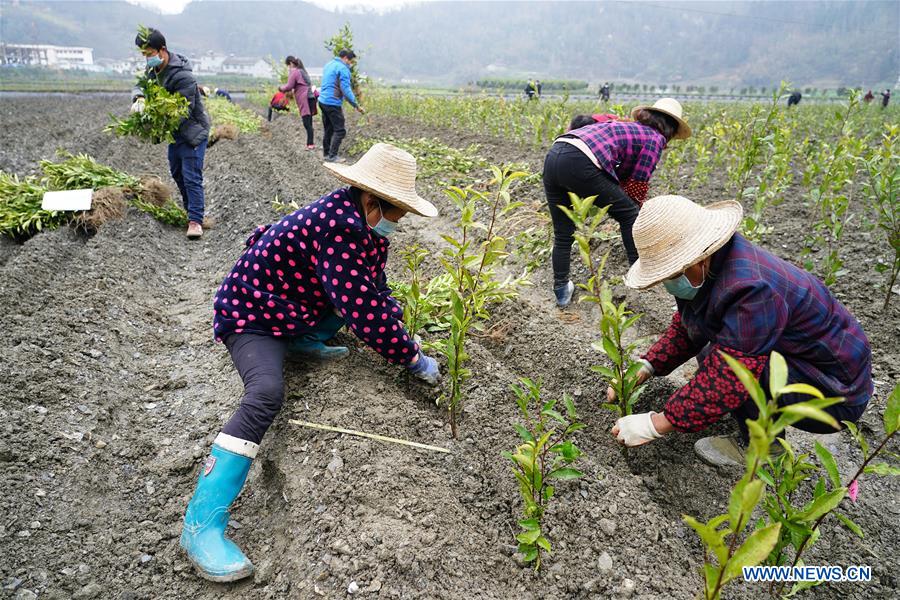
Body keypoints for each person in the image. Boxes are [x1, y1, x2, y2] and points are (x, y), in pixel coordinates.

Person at [179, 142, 442, 581]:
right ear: (373, 202)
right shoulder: (340, 229)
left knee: (358, 308)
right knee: (265, 393)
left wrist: (395, 318)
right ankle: (200, 526)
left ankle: (299, 340)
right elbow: (363, 312)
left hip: (289, 306)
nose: (397, 223)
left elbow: (372, 286)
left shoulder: (360, 221)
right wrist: (412, 357)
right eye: (396, 214)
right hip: (253, 314)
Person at [609, 196, 872, 467]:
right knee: (716, 353)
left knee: (727, 364)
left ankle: (765, 448)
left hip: (834, 392)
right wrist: (647, 365)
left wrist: (657, 424)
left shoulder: (751, 289)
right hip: (805, 361)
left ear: (699, 258)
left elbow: (730, 375)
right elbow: (689, 328)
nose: (668, 282)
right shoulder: (710, 267)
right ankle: (750, 415)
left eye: (671, 274)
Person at [543, 98, 691, 307]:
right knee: (630, 215)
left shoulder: (628, 128)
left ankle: (561, 289)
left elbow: (617, 176)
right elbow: (638, 182)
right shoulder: (655, 138)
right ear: (672, 129)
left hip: (555, 153)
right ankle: (640, 275)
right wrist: (640, 212)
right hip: (580, 160)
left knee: (563, 232)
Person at [131, 28, 210, 239]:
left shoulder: (183, 75)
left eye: (149, 54)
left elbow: (184, 110)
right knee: (177, 173)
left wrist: (158, 119)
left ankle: (196, 222)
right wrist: (139, 98)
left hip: (193, 131)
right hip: (175, 132)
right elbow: (140, 86)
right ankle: (191, 212)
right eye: (144, 54)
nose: (147, 58)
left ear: (162, 50)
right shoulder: (153, 71)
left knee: (191, 176)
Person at [319, 50, 364, 163]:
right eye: (351, 61)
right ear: (345, 58)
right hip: (332, 102)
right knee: (340, 131)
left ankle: (326, 154)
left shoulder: (329, 64)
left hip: (322, 101)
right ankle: (332, 156)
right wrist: (356, 105)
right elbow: (346, 90)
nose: (351, 64)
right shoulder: (343, 69)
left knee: (328, 129)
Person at [280, 56, 316, 150]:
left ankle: (310, 144)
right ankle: (310, 143)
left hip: (304, 98)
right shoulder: (303, 71)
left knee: (306, 123)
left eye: (288, 66)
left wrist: (281, 88)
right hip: (311, 98)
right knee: (309, 122)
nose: (288, 68)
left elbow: (289, 86)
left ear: (291, 63)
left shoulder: (295, 72)